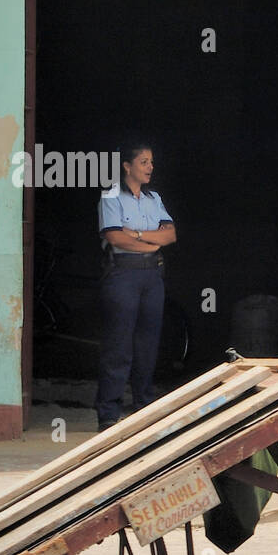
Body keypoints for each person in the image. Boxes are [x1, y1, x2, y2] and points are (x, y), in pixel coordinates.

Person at [95, 141, 176, 431]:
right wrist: (151, 242)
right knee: (119, 345)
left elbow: (170, 235)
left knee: (147, 344)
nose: (150, 167)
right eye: (144, 162)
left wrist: (139, 234)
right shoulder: (111, 197)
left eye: (151, 162)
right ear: (127, 166)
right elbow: (116, 238)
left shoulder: (154, 198)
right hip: (123, 275)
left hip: (151, 276)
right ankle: (108, 413)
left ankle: (143, 406)